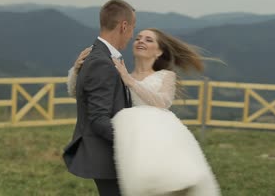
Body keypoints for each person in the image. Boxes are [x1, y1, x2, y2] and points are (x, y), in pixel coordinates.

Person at [67, 28, 221, 196]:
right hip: (133, 145)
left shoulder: (166, 75)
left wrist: (130, 81)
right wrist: (76, 70)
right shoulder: (120, 74)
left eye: (148, 40)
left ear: (159, 51)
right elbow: (81, 94)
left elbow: (163, 102)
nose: (141, 41)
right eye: (138, 38)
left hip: (159, 141)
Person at [63, 0, 136, 196]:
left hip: (110, 157)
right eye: (132, 29)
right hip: (107, 158)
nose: (132, 36)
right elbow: (99, 119)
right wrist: (136, 142)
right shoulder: (101, 63)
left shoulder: (101, 57)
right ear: (124, 26)